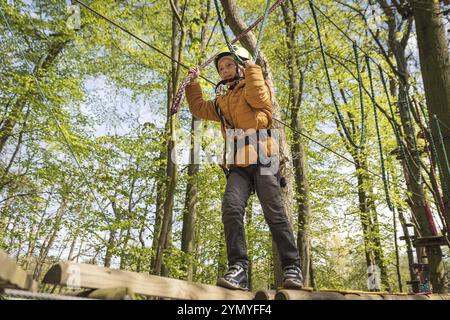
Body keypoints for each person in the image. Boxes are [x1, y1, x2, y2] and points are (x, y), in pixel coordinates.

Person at [185, 45, 303, 291]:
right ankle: (238, 268)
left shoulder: (256, 88)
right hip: (238, 164)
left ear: (240, 66)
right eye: (221, 68)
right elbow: (198, 108)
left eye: (229, 65)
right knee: (231, 208)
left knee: (274, 212)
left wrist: (251, 67)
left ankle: (292, 266)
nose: (225, 70)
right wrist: (192, 83)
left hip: (263, 158)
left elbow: (259, 98)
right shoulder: (221, 103)